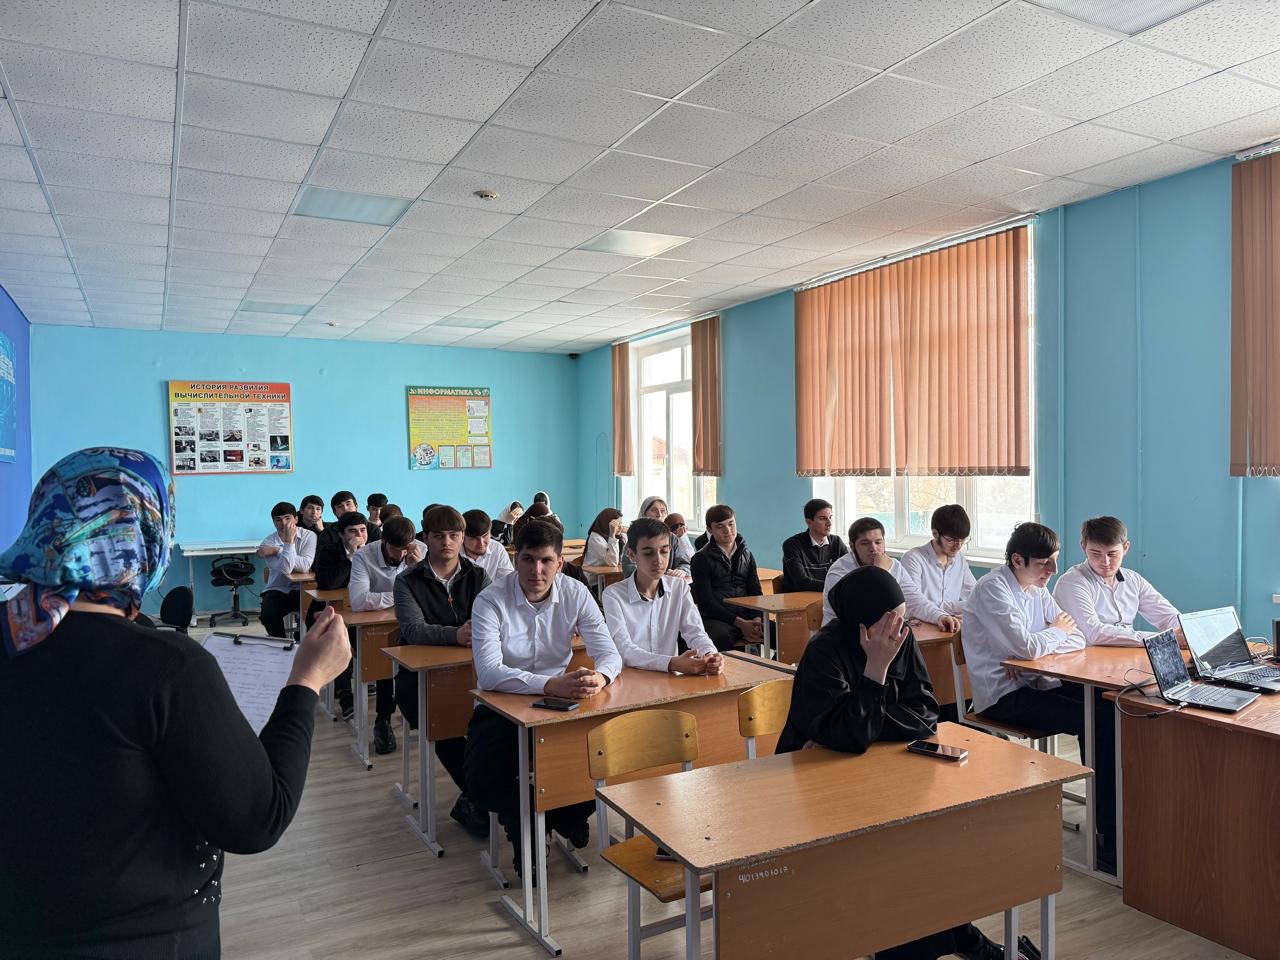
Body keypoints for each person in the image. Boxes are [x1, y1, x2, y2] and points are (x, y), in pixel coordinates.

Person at [0, 448, 351, 960]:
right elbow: (257, 818)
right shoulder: (165, 666)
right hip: (143, 938)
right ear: (144, 534)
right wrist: (307, 679)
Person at [777, 566, 1016, 960]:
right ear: (861, 623)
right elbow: (851, 737)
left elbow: (925, 713)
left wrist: (865, 725)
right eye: (891, 622)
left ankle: (959, 939)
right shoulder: (824, 652)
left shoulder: (898, 639)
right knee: (896, 863)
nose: (900, 631)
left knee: (924, 853)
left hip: (880, 775)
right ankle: (964, 942)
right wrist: (876, 671)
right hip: (816, 790)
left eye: (903, 620)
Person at [465, 518, 622, 874]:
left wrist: (600, 677)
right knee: (485, 775)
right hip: (502, 704)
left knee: (604, 754)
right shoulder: (490, 600)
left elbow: (610, 653)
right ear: (515, 559)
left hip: (559, 704)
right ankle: (524, 829)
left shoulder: (576, 593)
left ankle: (566, 814)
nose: (537, 570)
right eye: (528, 559)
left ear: (560, 563)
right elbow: (489, 673)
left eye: (546, 561)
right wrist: (550, 684)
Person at [963, 522, 1116, 872]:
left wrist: (1034, 654)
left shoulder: (1036, 588)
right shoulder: (992, 589)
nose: (1053, 570)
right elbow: (1030, 646)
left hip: (1036, 681)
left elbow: (1076, 638)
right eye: (1045, 562)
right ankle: (1107, 836)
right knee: (1096, 721)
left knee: (1108, 704)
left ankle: (1111, 817)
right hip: (1002, 696)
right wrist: (1045, 639)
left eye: (1055, 559)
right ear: (1018, 560)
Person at [393, 505, 491, 838]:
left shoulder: (478, 575)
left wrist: (471, 633)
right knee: (441, 723)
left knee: (491, 723)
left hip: (473, 669)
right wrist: (455, 635)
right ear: (426, 538)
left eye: (453, 535)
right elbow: (413, 629)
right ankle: (479, 794)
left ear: (462, 538)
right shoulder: (408, 580)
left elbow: (492, 618)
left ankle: (478, 797)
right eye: (438, 536)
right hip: (419, 676)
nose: (446, 542)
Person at [603, 518, 723, 674]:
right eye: (648, 553)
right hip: (630, 679)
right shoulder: (613, 595)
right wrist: (671, 663)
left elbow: (696, 633)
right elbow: (625, 650)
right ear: (632, 555)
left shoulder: (679, 588)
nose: (658, 560)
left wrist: (710, 654)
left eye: (664, 551)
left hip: (669, 678)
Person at [349, 515, 423, 755]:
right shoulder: (364, 556)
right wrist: (405, 595)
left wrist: (417, 569)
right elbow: (359, 601)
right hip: (380, 626)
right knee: (384, 664)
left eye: (405, 549)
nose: (400, 555)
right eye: (394, 549)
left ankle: (420, 717)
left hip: (415, 623)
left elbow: (435, 593)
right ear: (383, 541)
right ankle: (383, 721)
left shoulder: (420, 551)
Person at [1053, 516, 1181, 647]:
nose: (1105, 562)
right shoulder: (1071, 582)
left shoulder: (1133, 579)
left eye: (1112, 554)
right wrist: (1163, 639)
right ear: (1083, 547)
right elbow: (1094, 634)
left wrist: (1183, 632)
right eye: (1096, 553)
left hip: (1127, 654)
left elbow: (1169, 617)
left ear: (1125, 548)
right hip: (1086, 655)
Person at [821, 518, 956, 632]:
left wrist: (940, 616)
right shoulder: (839, 572)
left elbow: (915, 601)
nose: (873, 548)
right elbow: (862, 614)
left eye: (878, 542)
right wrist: (880, 572)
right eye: (865, 543)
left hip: (881, 637)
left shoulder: (894, 566)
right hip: (843, 638)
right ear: (852, 546)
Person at [312, 510, 369, 721]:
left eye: (363, 530)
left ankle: (372, 681)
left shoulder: (373, 551)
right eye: (353, 531)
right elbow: (328, 584)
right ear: (342, 534)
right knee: (340, 639)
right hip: (330, 611)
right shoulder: (329, 551)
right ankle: (345, 695)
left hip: (361, 610)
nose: (359, 536)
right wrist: (351, 557)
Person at [690, 504, 765, 651]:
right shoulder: (701, 558)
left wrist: (756, 619)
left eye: (731, 524)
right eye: (720, 526)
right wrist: (741, 623)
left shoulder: (747, 555)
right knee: (720, 638)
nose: (728, 530)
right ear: (710, 530)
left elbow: (756, 593)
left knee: (786, 633)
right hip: (717, 618)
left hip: (747, 616)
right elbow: (706, 603)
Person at [899, 504, 978, 620]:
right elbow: (915, 605)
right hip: (922, 625)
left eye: (962, 539)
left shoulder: (959, 558)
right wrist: (960, 606)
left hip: (951, 624)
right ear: (935, 534)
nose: (958, 546)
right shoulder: (913, 559)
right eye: (951, 540)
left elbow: (975, 595)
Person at [256, 500, 317, 638]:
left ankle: (303, 641)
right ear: (274, 523)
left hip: (305, 589)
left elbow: (305, 566)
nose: (283, 523)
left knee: (316, 614)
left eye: (287, 518)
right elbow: (286, 570)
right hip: (279, 588)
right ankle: (282, 644)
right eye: (278, 520)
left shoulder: (309, 536)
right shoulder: (268, 543)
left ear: (296, 519)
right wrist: (289, 542)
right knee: (268, 615)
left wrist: (277, 550)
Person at [780, 497, 848, 592]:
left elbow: (850, 573)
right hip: (799, 599)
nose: (829, 523)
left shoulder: (837, 542)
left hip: (828, 596)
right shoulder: (792, 545)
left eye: (830, 517)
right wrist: (840, 586)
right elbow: (802, 582)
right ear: (809, 522)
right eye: (822, 518)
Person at [461, 508, 514, 581]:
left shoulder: (497, 548)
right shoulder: (453, 552)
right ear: (462, 537)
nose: (481, 543)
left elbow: (508, 581)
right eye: (474, 538)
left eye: (485, 536)